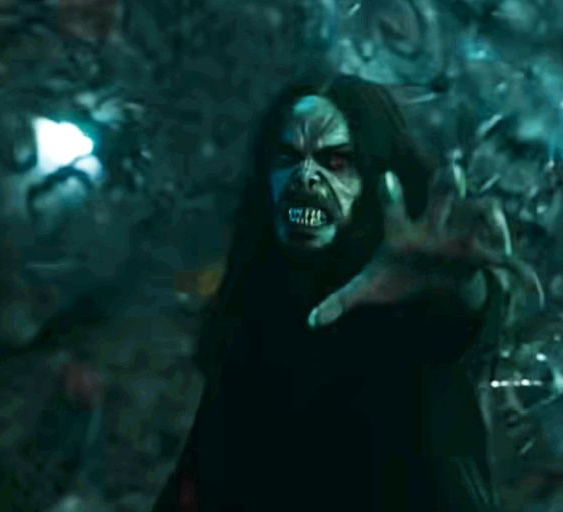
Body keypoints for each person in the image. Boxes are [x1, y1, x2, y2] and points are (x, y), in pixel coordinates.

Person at [153, 74, 536, 512]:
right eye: (288, 158)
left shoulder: (402, 307)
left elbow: (457, 324)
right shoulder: (254, 309)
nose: (304, 178)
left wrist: (463, 286)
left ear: (374, 175)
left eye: (335, 162)